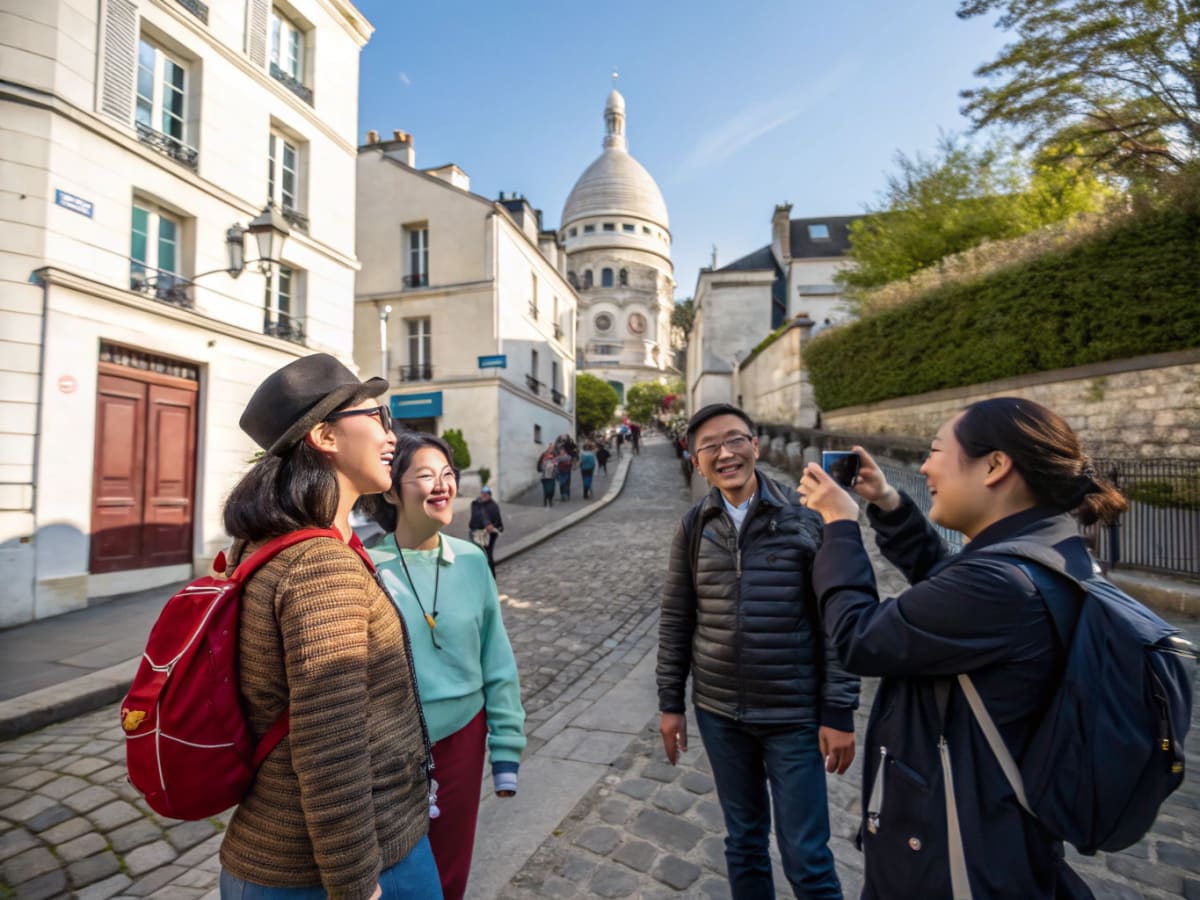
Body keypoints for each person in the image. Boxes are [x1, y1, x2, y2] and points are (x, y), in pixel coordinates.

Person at [797, 397, 1126, 900]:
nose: (924, 467)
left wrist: (840, 527)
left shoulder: (1004, 583)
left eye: (935, 452)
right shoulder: (1048, 550)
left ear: (995, 466)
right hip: (994, 833)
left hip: (953, 854)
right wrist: (888, 502)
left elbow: (858, 638)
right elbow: (946, 585)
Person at [218, 353, 440, 899]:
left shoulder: (270, 542)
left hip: (299, 855)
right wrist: (355, 884)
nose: (393, 435)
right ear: (324, 436)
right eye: (379, 417)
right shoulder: (319, 567)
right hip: (339, 867)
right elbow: (331, 747)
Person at [657, 403, 860, 900]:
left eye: (735, 440)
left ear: (756, 445)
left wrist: (838, 710)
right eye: (710, 446)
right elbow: (678, 617)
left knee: (807, 857)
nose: (725, 453)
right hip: (720, 713)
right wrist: (670, 703)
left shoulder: (806, 517)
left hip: (792, 714)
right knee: (744, 843)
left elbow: (837, 622)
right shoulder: (692, 526)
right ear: (695, 460)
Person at [363, 432, 527, 900]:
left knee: (450, 875)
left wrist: (506, 748)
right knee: (393, 875)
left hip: (462, 743)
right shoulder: (368, 568)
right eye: (425, 476)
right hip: (391, 750)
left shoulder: (473, 561)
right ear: (391, 491)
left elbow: (497, 658)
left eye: (448, 474)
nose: (442, 485)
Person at [469, 485, 504, 575]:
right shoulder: (475, 504)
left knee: (488, 554)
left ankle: (491, 576)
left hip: (489, 534)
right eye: (483, 494)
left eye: (486, 494)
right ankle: (481, 574)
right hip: (475, 532)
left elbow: (498, 522)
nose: (484, 496)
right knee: (476, 553)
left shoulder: (493, 506)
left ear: (489, 495)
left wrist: (490, 526)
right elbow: (479, 515)